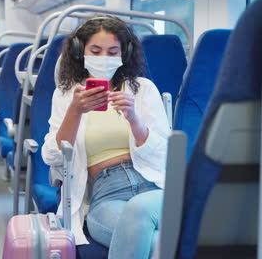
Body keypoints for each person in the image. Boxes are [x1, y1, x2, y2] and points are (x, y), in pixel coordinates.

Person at [42, 15, 170, 258]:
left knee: (142, 211)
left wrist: (134, 119)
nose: (104, 58)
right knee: (156, 240)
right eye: (96, 50)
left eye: (113, 52)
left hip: (153, 186)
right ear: (81, 51)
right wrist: (75, 112)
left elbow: (166, 155)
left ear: (124, 54)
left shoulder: (142, 89)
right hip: (106, 193)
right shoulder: (67, 95)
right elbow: (52, 157)